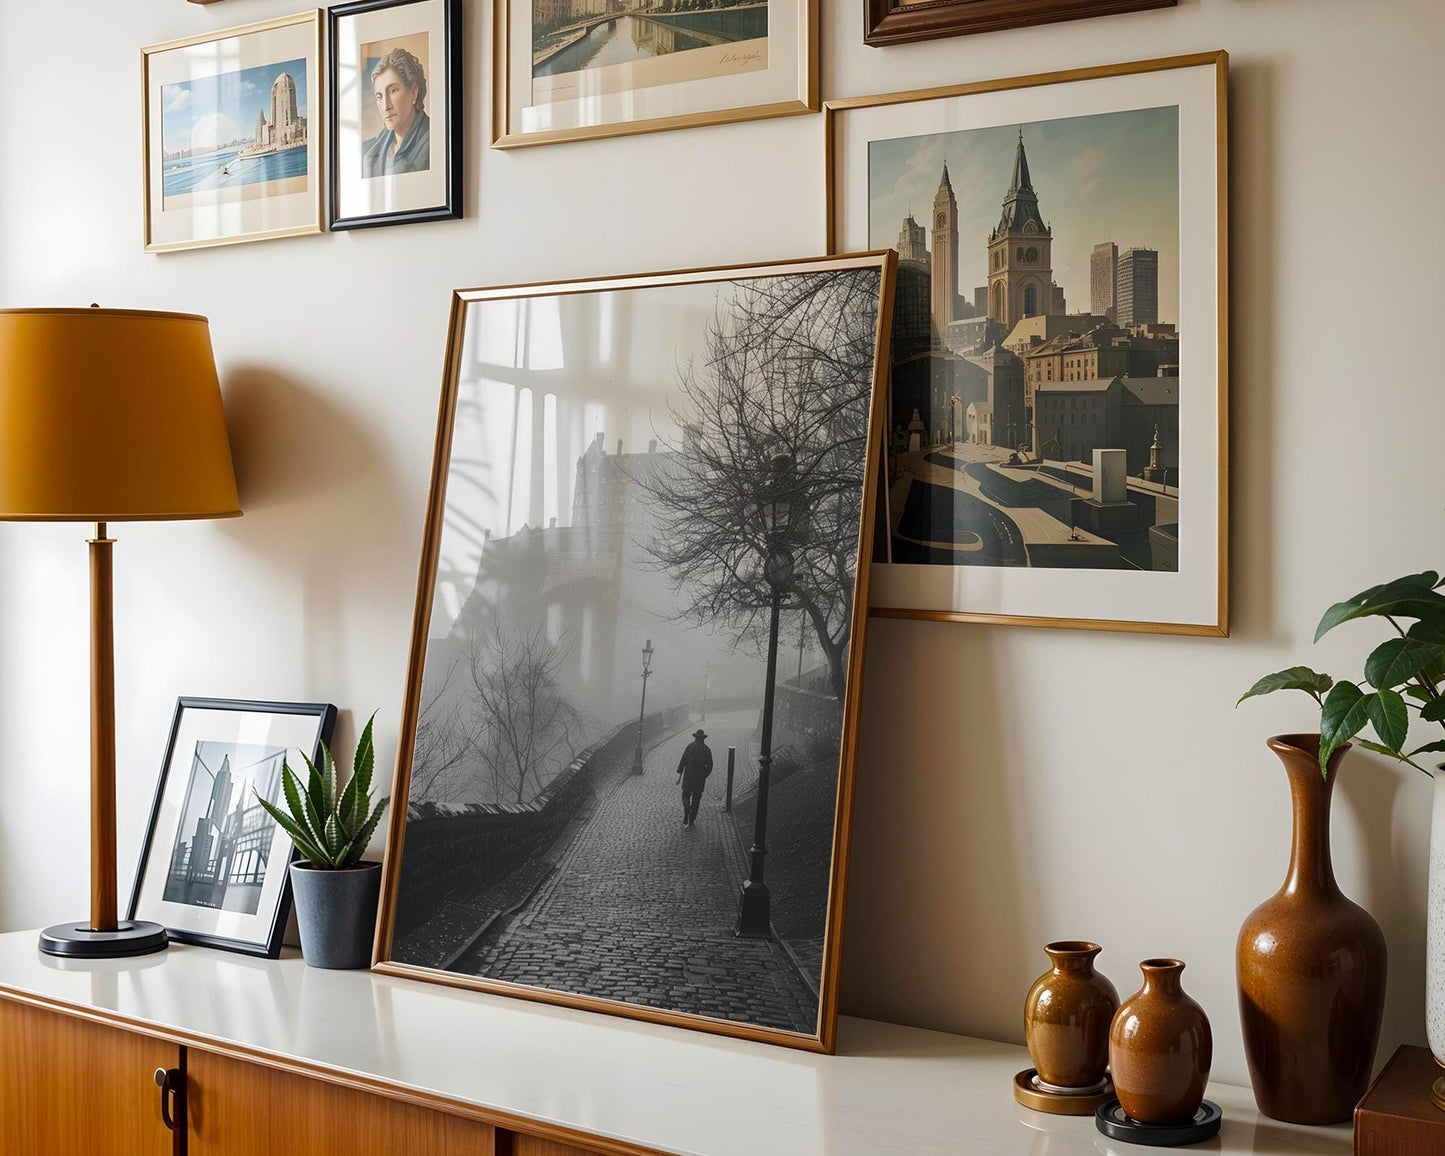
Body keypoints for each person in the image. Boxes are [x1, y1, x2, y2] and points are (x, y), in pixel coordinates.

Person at [362, 48, 431, 178]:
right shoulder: (369, 151)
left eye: (392, 91)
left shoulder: (434, 141)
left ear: (413, 92)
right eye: (379, 96)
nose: (385, 106)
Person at [676, 729, 713, 828]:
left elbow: (683, 760)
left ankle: (687, 810)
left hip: (688, 775)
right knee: (696, 799)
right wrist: (705, 775)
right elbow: (710, 765)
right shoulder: (706, 749)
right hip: (699, 778)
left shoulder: (690, 747)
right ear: (703, 739)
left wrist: (680, 771)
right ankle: (692, 818)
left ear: (695, 738)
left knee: (685, 795)